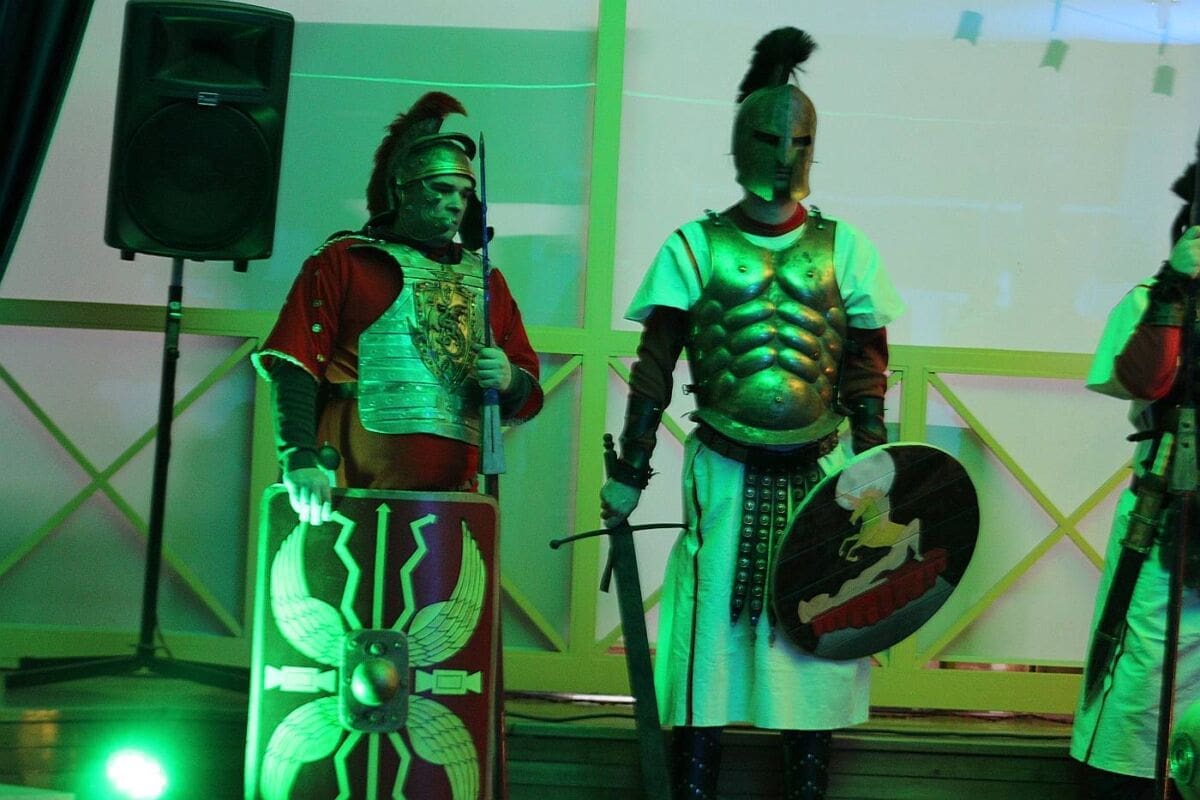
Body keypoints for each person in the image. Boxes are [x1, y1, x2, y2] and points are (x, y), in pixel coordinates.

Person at [599, 28, 904, 800]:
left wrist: (873, 464)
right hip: (726, 471)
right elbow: (656, 364)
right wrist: (632, 467)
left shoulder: (847, 250)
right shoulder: (693, 246)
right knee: (709, 637)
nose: (783, 156)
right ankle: (695, 787)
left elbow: (866, 368)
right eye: (769, 138)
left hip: (822, 472)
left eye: (797, 142)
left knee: (818, 629)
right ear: (742, 142)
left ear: (812, 149)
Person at [253, 92, 543, 522]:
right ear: (403, 190)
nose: (455, 203)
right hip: (347, 491)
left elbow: (529, 398)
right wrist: (298, 457)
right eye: (441, 189)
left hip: (453, 505)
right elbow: (294, 363)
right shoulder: (345, 260)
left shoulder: (487, 280)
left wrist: (510, 380)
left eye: (464, 194)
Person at [1071, 165, 1200, 800]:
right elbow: (1144, 380)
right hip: (1166, 516)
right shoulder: (1156, 299)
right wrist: (1176, 287)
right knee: (1144, 671)